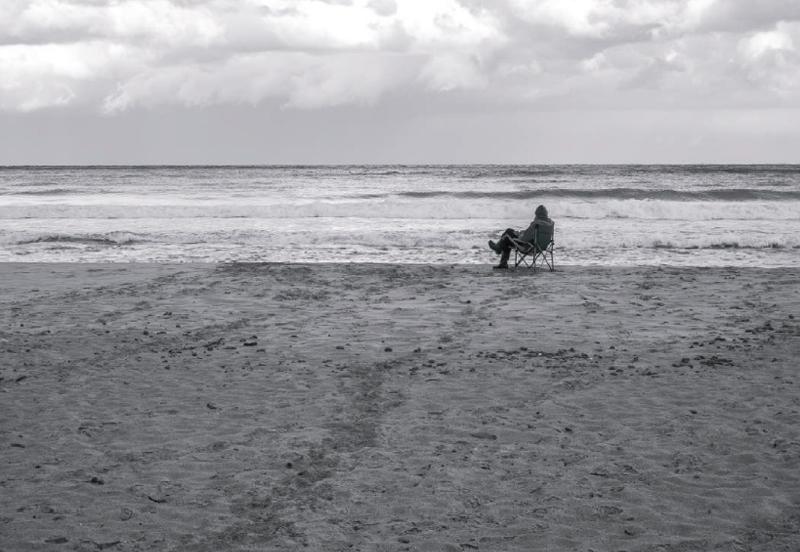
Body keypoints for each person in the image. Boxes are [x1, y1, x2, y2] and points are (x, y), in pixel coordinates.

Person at [488, 204, 552, 269]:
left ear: (537, 214)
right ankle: (500, 254)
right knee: (509, 234)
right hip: (540, 247)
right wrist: (520, 233)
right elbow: (532, 234)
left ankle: (500, 253)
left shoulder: (536, 224)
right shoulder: (549, 224)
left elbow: (525, 238)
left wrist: (518, 235)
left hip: (528, 247)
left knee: (507, 234)